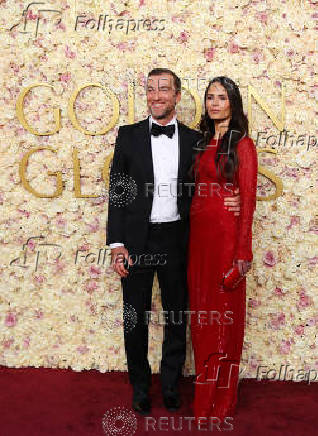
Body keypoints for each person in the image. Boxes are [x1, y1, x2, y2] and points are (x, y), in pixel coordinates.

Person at [106, 69, 241, 415]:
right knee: (134, 317)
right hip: (136, 241)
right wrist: (116, 244)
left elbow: (216, 177)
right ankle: (139, 387)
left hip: (178, 240)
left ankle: (169, 384)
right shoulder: (128, 135)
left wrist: (234, 198)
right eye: (150, 90)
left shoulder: (196, 140)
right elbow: (118, 192)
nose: (156, 96)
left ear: (177, 96)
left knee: (176, 316)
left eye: (164, 89)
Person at [187, 76, 258, 424]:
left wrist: (243, 255)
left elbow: (248, 202)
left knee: (224, 324)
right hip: (197, 243)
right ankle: (202, 402)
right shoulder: (199, 143)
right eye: (210, 97)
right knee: (202, 323)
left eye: (222, 97)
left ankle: (221, 403)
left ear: (233, 103)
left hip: (227, 243)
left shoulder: (243, 145)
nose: (215, 103)